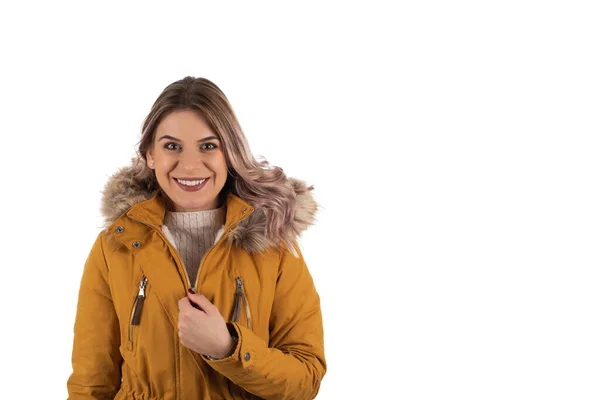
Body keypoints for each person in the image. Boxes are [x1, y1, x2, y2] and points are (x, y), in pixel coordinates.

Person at [66, 76, 327, 399]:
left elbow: (306, 379)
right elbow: (91, 384)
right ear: (150, 155)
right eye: (172, 146)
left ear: (229, 153)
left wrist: (229, 348)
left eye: (208, 146)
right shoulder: (116, 246)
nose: (189, 165)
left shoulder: (272, 244)